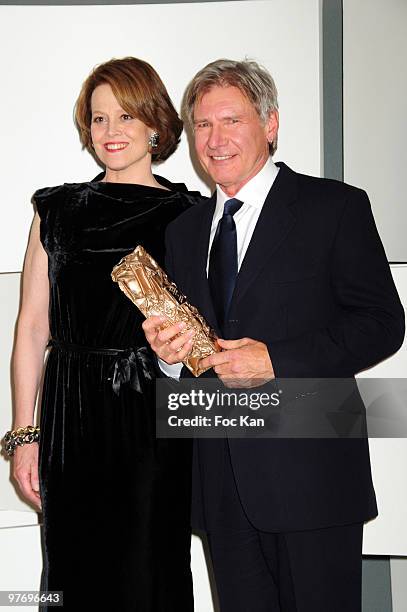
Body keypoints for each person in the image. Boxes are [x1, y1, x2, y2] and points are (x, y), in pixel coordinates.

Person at [142, 59, 405, 612]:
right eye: (203, 126)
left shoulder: (334, 207)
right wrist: (169, 359)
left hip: (312, 476)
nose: (215, 140)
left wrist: (276, 361)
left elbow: (383, 323)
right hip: (220, 484)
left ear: (271, 124)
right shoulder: (182, 231)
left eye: (231, 120)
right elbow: (194, 354)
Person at [8, 57, 197, 611]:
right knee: (71, 567)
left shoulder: (187, 214)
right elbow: (32, 326)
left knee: (147, 565)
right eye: (98, 119)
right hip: (71, 413)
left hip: (149, 415)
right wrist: (24, 435)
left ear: (155, 124)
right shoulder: (57, 209)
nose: (111, 132)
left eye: (125, 116)